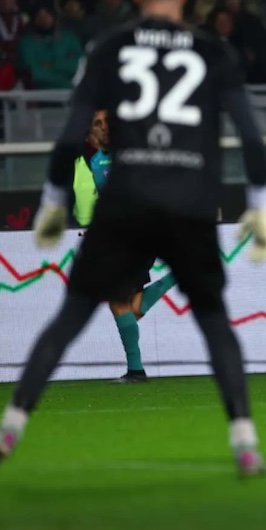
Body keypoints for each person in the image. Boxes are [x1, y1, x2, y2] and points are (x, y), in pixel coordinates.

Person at [0, 0, 266, 481]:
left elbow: (73, 128)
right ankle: (245, 440)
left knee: (71, 314)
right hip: (187, 194)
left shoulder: (110, 46)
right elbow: (250, 133)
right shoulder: (214, 50)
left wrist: (53, 201)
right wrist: (260, 205)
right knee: (214, 319)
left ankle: (10, 425)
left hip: (127, 194)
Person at [73, 108, 178, 383]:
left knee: (119, 303)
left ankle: (136, 370)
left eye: (108, 121)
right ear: (91, 134)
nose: (104, 127)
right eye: (98, 123)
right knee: (126, 307)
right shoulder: (93, 163)